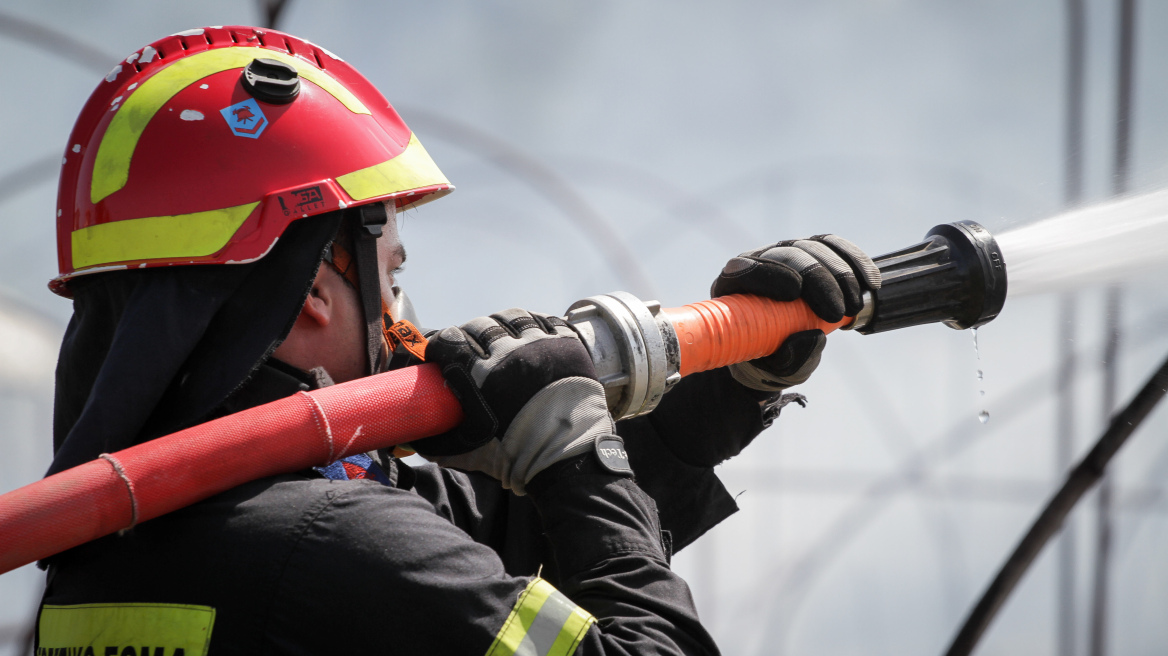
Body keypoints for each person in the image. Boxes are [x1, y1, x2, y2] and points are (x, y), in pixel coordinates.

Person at [37, 26, 880, 656]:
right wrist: (575, 455)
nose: (404, 316)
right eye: (390, 278)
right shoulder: (338, 541)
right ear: (311, 297)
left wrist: (716, 402)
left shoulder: (96, 553)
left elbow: (505, 544)